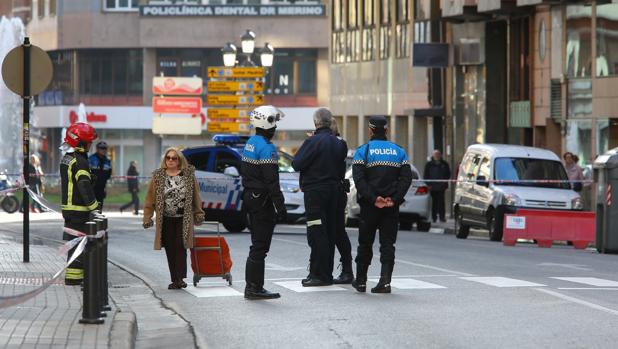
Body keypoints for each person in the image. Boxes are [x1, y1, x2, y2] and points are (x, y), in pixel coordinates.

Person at [351, 116, 412, 293]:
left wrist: (373, 199)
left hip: (370, 207)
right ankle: (385, 282)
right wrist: (394, 199)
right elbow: (406, 179)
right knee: (387, 244)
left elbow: (359, 179)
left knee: (365, 244)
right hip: (391, 207)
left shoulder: (364, 151)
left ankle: (361, 281)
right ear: (386, 130)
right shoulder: (399, 151)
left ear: (370, 130)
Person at [292, 108, 348, 287]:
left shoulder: (312, 141)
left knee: (316, 232)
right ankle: (327, 273)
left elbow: (296, 164)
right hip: (334, 193)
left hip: (315, 194)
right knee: (330, 232)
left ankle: (318, 274)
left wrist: (310, 142)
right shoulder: (340, 143)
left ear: (316, 123)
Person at [241, 105, 287, 300]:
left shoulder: (250, 142)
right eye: (274, 124)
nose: (275, 128)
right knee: (260, 246)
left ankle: (253, 286)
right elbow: (272, 181)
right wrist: (281, 206)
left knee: (256, 244)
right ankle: (254, 288)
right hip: (262, 202)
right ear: (266, 125)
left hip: (251, 198)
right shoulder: (267, 148)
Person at [143, 148, 204, 290]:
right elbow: (149, 198)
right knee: (170, 248)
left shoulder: (188, 175)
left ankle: (181, 278)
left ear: (179, 160)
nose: (170, 160)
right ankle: (175, 279)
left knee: (180, 246)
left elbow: (196, 195)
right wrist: (147, 217)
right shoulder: (158, 176)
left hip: (184, 218)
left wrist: (198, 213)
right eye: (168, 158)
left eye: (174, 158)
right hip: (165, 219)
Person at [60, 122, 99, 285]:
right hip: (79, 211)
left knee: (74, 244)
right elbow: (84, 186)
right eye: (89, 141)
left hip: (70, 211)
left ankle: (73, 277)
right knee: (79, 246)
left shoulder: (67, 159)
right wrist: (94, 207)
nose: (91, 144)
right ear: (81, 142)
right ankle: (75, 279)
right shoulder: (80, 161)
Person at [329, 119, 354, 284]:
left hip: (334, 192)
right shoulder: (340, 143)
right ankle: (346, 269)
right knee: (338, 233)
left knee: (336, 233)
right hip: (337, 192)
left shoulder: (337, 144)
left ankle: (346, 270)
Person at [424, 149, 451, 223]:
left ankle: (442, 217)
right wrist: (428, 185)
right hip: (432, 186)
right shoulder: (429, 164)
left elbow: (448, 174)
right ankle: (434, 217)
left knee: (441, 202)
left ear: (440, 155)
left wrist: (444, 183)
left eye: (438, 154)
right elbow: (426, 175)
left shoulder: (444, 164)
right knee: (434, 203)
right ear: (433, 155)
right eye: (435, 154)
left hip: (441, 187)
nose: (437, 156)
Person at [89, 141, 112, 212]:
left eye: (105, 148)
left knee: (99, 208)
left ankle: (98, 222)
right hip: (91, 188)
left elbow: (108, 174)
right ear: (97, 149)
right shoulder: (91, 159)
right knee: (91, 209)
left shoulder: (107, 161)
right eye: (101, 148)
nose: (103, 150)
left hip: (101, 188)